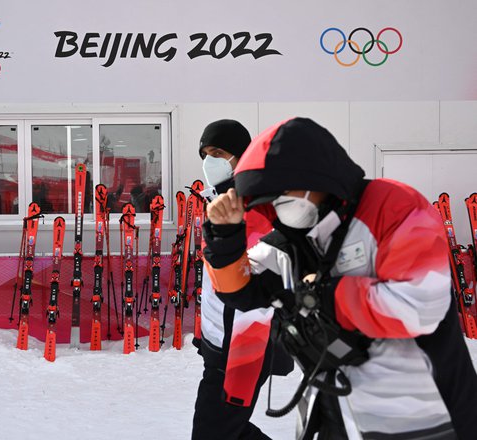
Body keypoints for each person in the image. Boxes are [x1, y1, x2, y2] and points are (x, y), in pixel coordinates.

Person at [203, 117, 477, 439]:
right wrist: (226, 237)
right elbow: (242, 292)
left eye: (282, 193)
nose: (279, 206)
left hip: (424, 416)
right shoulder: (290, 239)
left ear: (314, 176)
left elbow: (419, 306)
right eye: (269, 199)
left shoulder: (395, 207)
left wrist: (321, 298)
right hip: (337, 410)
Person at [192, 119, 292, 440]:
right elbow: (216, 280)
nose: (210, 162)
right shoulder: (222, 202)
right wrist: (204, 335)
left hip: (239, 349)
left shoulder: (255, 207)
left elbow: (254, 280)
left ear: (241, 155)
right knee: (226, 431)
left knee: (215, 433)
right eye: (205, 154)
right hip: (220, 343)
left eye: (218, 152)